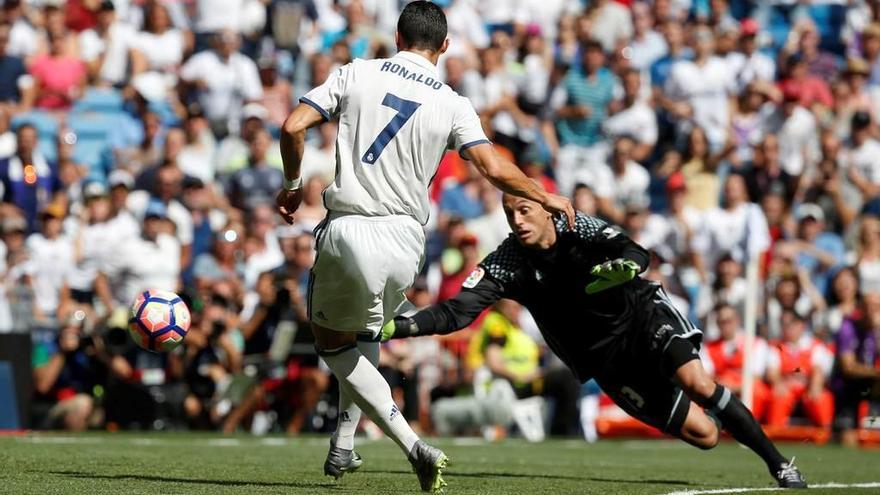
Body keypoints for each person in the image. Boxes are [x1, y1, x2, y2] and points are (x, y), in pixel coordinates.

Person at [274, 2, 574, 491]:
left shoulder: (358, 72)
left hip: (352, 225)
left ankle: (414, 445)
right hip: (409, 243)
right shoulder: (453, 101)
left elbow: (292, 126)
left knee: (333, 342)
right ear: (446, 47)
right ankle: (345, 442)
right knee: (366, 329)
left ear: (396, 36)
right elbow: (495, 170)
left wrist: (291, 184)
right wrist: (545, 194)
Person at [382, 188, 807, 489]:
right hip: (606, 361)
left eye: (526, 210)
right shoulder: (507, 261)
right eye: (511, 213)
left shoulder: (575, 225)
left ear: (547, 209)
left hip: (642, 316)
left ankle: (779, 465)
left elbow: (635, 251)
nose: (518, 221)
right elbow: (457, 311)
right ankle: (729, 416)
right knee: (706, 436)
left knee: (697, 383)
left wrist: (625, 266)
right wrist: (400, 326)